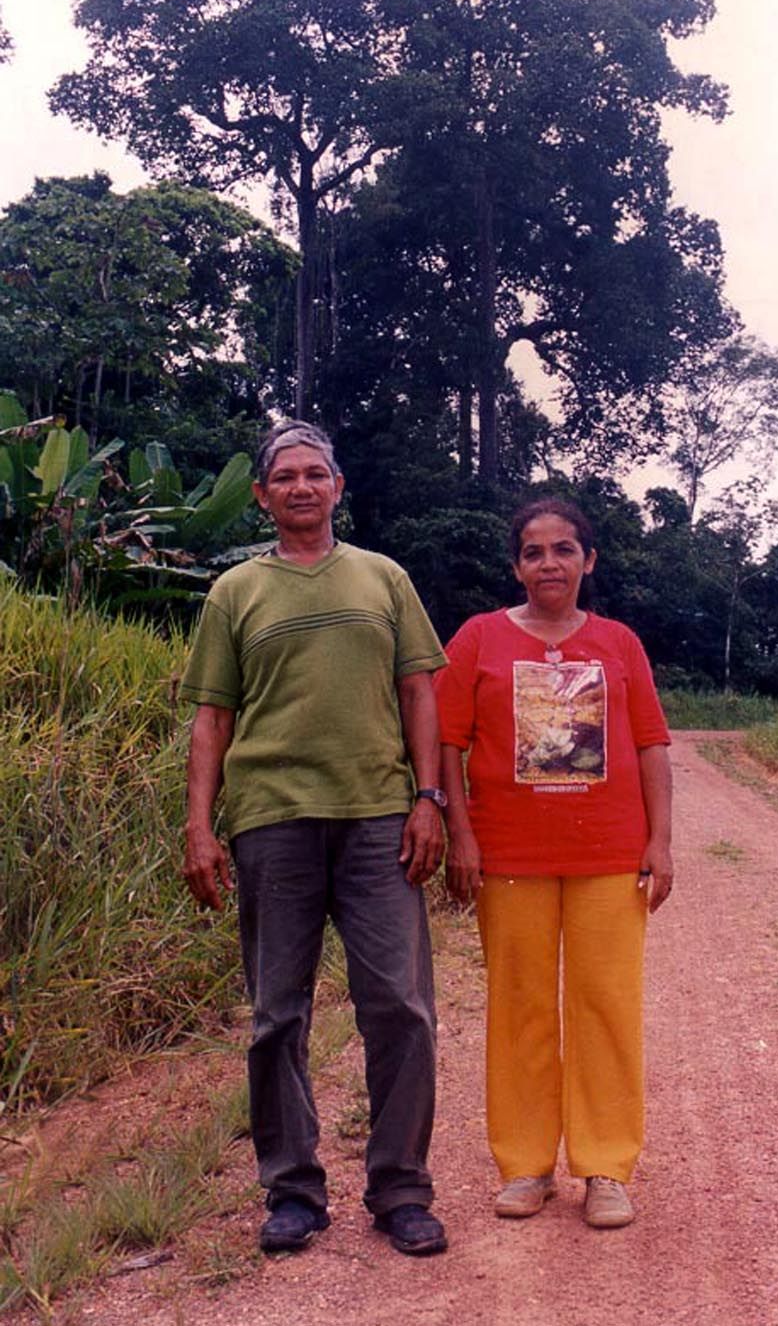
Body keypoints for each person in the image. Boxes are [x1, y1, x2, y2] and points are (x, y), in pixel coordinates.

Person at [181, 420, 449, 1258]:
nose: (301, 487)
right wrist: (200, 825)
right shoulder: (235, 592)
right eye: (285, 477)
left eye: (316, 473)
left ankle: (400, 1189)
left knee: (400, 1010)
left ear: (338, 487)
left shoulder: (384, 578)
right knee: (276, 1017)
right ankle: (292, 1191)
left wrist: (429, 797)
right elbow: (211, 718)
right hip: (270, 820)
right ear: (261, 495)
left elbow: (419, 695)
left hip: (377, 816)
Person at [435, 498, 673, 1229]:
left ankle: (604, 1166)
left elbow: (650, 745)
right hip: (510, 854)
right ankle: (525, 1165)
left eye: (563, 550)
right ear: (516, 565)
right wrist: (462, 836)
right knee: (520, 1010)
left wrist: (659, 841)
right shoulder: (477, 640)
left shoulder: (619, 643)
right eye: (533, 552)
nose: (549, 564)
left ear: (587, 560)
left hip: (607, 852)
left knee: (605, 1006)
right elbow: (447, 743)